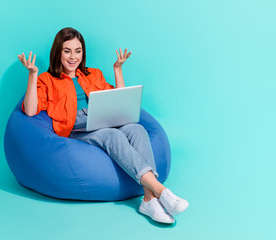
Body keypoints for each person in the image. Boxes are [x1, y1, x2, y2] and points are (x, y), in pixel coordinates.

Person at [18, 27, 188, 224]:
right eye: (67, 51)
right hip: (75, 128)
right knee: (112, 135)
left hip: (101, 118)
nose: (73, 57)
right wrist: (32, 75)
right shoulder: (47, 80)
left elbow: (120, 100)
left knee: (137, 129)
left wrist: (118, 70)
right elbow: (30, 111)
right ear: (58, 52)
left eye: (78, 51)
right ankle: (161, 190)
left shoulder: (93, 74)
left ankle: (148, 199)